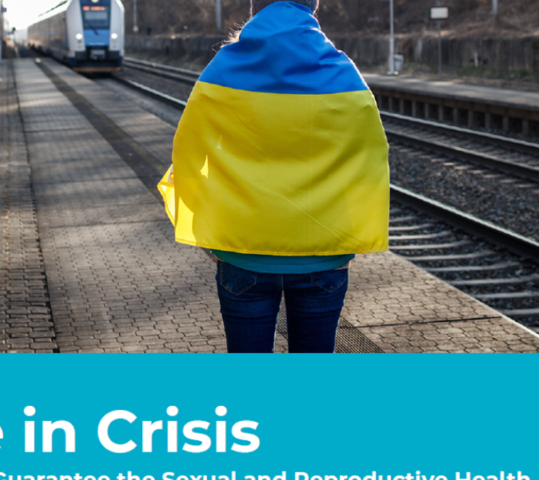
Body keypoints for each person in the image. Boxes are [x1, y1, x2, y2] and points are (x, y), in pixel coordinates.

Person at [157, 0, 389, 353]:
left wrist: (208, 215)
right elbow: (370, 155)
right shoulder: (341, 71)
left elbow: (189, 151)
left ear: (255, 6)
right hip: (322, 252)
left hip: (242, 250)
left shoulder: (223, 69)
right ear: (312, 4)